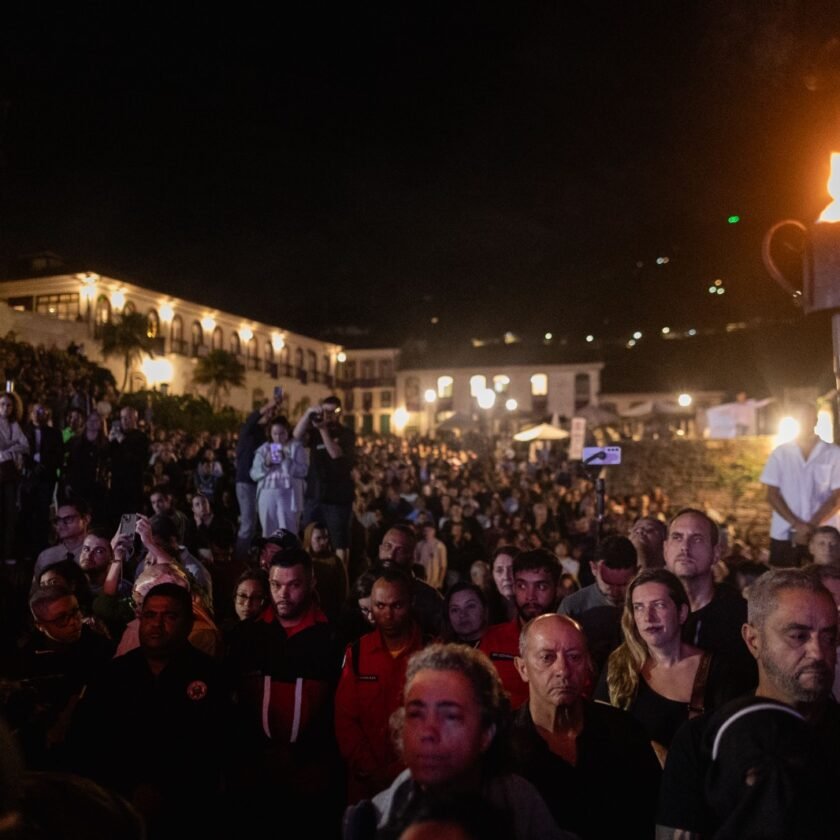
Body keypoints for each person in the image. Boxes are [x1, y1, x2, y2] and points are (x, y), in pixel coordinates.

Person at [657, 567, 840, 838]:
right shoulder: (703, 742)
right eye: (798, 636)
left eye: (829, 637)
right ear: (753, 640)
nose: (818, 652)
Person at [343, 643, 573, 840]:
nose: (428, 732)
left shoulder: (522, 808)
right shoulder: (366, 822)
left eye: (450, 716)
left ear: (486, 732)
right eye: (415, 714)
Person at [68, 582, 233, 837]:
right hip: (119, 807)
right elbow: (87, 739)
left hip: (187, 811)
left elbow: (215, 747)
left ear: (189, 623)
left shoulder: (210, 676)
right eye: (150, 615)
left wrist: (167, 789)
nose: (157, 624)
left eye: (169, 616)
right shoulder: (114, 675)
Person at [225, 546, 345, 835]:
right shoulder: (246, 636)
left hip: (311, 775)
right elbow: (231, 704)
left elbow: (337, 708)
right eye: (276, 585)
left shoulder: (333, 638)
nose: (283, 594)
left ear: (312, 582)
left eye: (294, 585)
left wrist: (308, 759)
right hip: (253, 772)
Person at [511, 614, 662, 840]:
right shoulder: (500, 745)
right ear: (522, 668)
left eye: (574, 657)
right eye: (547, 657)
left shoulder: (624, 732)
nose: (563, 669)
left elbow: (656, 815)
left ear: (588, 665)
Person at [596, 568, 740, 765]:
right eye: (639, 607)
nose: (648, 617)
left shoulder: (717, 670)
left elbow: (732, 746)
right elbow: (598, 734)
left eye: (659, 605)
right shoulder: (620, 665)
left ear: (681, 613)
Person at [335, 568, 428, 805]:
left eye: (397, 606)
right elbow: (344, 718)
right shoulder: (357, 653)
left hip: (419, 783)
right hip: (365, 785)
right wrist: (369, 768)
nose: (387, 614)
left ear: (411, 603)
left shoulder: (432, 652)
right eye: (379, 606)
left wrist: (399, 773)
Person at [6, 585, 115, 770]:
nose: (74, 622)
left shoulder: (100, 648)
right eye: (61, 619)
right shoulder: (26, 660)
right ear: (40, 625)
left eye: (75, 612)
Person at [663, 507, 757, 693]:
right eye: (677, 537)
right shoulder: (647, 612)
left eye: (697, 539)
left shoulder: (740, 618)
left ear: (716, 553)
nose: (685, 547)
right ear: (665, 550)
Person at [761, 401, 840, 568]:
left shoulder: (833, 453)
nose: (805, 421)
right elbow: (772, 494)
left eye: (808, 417)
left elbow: (836, 497)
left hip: (823, 537)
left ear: (816, 420)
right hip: (784, 533)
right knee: (782, 584)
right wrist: (797, 525)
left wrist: (811, 526)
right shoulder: (780, 453)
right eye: (801, 418)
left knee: (825, 583)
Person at [479, 548, 561, 710]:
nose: (530, 596)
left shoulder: (570, 640)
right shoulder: (493, 639)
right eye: (522, 586)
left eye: (541, 587)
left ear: (556, 588)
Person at [557, 534, 637, 676]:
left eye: (623, 584)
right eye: (608, 582)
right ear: (593, 569)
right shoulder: (573, 606)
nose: (615, 590)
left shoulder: (644, 604)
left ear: (636, 572)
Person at [294, 395, 357, 571]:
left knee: (340, 543)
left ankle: (341, 581)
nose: (329, 415)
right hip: (314, 495)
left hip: (338, 497)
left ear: (340, 412)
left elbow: (335, 454)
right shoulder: (314, 433)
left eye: (333, 411)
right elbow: (296, 437)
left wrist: (323, 430)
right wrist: (308, 413)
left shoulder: (347, 434)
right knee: (309, 539)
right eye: (325, 411)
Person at [233, 392, 282, 562]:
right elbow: (254, 417)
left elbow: (275, 459)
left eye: (273, 414)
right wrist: (271, 403)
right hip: (246, 482)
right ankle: (238, 561)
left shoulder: (267, 436)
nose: (270, 415)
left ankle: (256, 558)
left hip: (262, 483)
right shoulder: (248, 429)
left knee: (257, 525)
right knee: (247, 524)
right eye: (268, 412)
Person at [376, 524, 444, 636]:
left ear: (412, 557)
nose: (390, 555)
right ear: (380, 549)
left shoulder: (429, 598)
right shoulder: (365, 588)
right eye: (387, 546)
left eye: (400, 550)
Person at [21, 402, 64, 560]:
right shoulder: (23, 431)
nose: (38, 414)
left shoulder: (55, 433)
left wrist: (44, 463)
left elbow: (58, 456)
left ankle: (41, 549)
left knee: (42, 513)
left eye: (41, 411)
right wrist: (32, 465)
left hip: (46, 478)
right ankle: (26, 549)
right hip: (28, 479)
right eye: (35, 411)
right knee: (27, 513)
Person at [107, 406, 149, 530]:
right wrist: (109, 441)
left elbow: (138, 460)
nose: (125, 421)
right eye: (122, 418)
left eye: (128, 417)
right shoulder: (116, 437)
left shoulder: (141, 437)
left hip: (132, 489)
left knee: (128, 526)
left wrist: (122, 440)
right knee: (114, 523)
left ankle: (128, 547)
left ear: (135, 418)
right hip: (115, 487)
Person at [31, 498, 91, 583]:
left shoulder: (95, 552)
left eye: (68, 519)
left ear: (85, 519)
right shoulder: (46, 556)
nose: (61, 525)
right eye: (58, 520)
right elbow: (36, 591)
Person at [64, 411, 110, 524]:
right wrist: (68, 482)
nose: (93, 423)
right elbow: (68, 464)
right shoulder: (75, 442)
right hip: (78, 486)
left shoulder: (106, 445)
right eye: (90, 420)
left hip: (98, 488)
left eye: (96, 420)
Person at [0, 391, 29, 566]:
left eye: (9, 405)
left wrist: (10, 446)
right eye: (2, 404)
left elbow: (25, 446)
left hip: (9, 474)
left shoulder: (14, 425)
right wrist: (13, 445)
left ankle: (6, 553)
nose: (5, 408)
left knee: (9, 514)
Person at [303, 519, 349, 623]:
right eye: (318, 538)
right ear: (309, 538)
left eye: (325, 537)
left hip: (330, 614)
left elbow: (343, 589)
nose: (323, 542)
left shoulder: (335, 561)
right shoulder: (302, 560)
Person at [441, 582, 490, 647]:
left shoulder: (506, 637)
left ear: (485, 609)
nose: (462, 615)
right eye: (455, 610)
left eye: (470, 606)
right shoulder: (440, 650)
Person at [413, 520, 447, 592]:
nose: (426, 533)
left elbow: (443, 566)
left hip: (434, 580)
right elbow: (415, 562)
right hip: (421, 579)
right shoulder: (419, 545)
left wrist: (440, 581)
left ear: (434, 531)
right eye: (425, 530)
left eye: (429, 530)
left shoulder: (440, 546)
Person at [487, 545, 517, 622]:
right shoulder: (485, 611)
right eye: (499, 570)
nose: (506, 576)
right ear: (492, 575)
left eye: (512, 569)